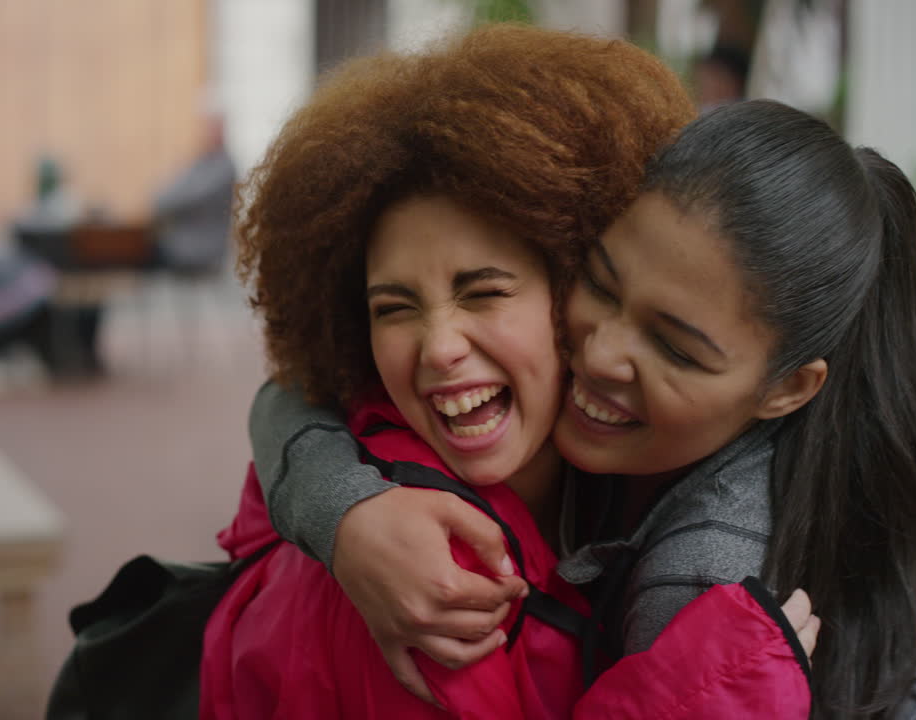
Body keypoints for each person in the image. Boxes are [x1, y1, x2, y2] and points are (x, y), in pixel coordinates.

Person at [248, 98, 916, 718]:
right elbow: (300, 390)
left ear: (786, 390)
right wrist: (347, 516)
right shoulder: (616, 423)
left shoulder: (703, 578)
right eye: (600, 284)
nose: (600, 355)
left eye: (676, 348)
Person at [204, 27, 819, 719]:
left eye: (484, 292)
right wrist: (699, 694)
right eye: (394, 308)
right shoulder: (432, 575)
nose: (439, 348)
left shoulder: (590, 480)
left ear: (575, 287)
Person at [142, 103, 235, 274]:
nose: (205, 133)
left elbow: (179, 199)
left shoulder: (223, 169)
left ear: (221, 129)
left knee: (139, 253)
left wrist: (162, 201)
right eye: (204, 127)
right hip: (181, 243)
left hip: (199, 250)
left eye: (211, 127)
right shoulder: (201, 163)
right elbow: (162, 196)